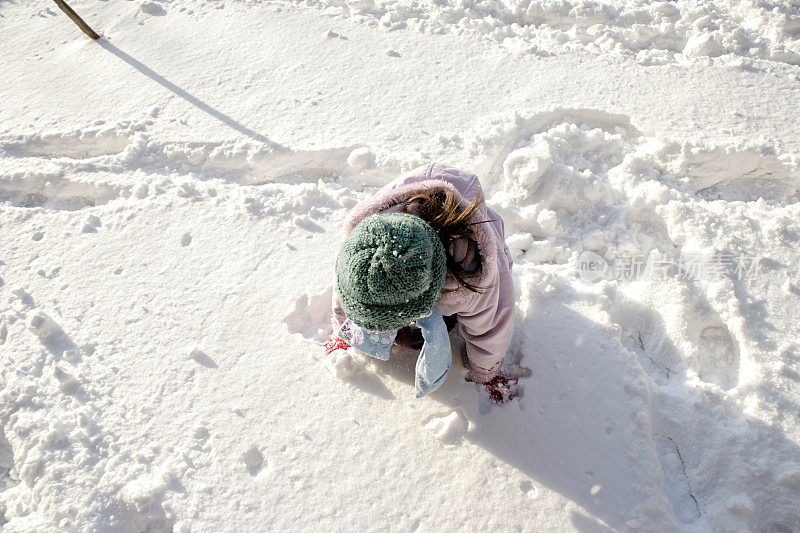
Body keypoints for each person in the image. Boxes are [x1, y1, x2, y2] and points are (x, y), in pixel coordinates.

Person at [325, 162, 517, 402]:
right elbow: (345, 291)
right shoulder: (362, 247)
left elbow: (492, 326)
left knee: (417, 335)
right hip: (411, 220)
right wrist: (342, 331)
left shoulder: (473, 278)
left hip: (454, 259)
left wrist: (485, 372)